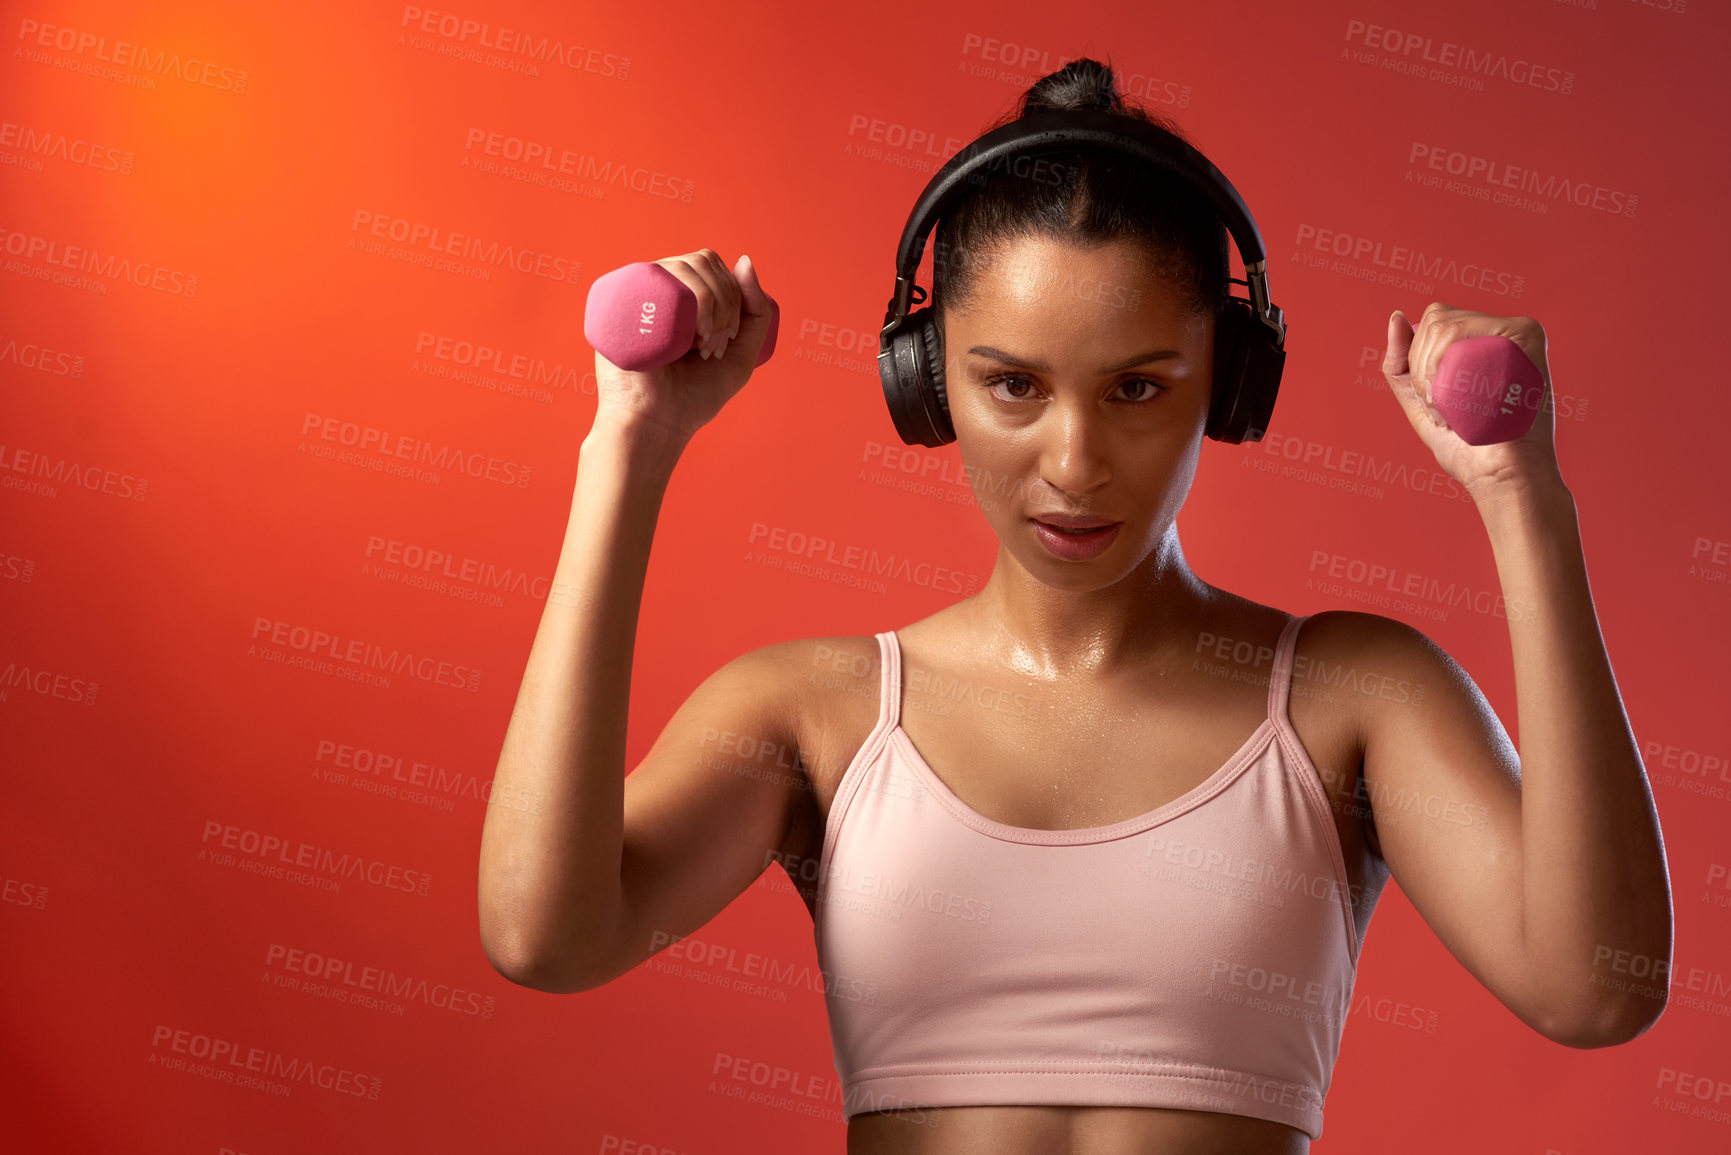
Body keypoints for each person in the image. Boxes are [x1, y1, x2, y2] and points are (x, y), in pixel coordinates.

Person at [477, 58, 1672, 1155]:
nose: (1074, 460)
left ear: (1231, 384)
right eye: (1012, 385)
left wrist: (1525, 498)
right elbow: (547, 936)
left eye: (1139, 388)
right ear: (927, 374)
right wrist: (629, 448)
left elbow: (1597, 987)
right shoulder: (816, 712)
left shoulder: (1351, 696)